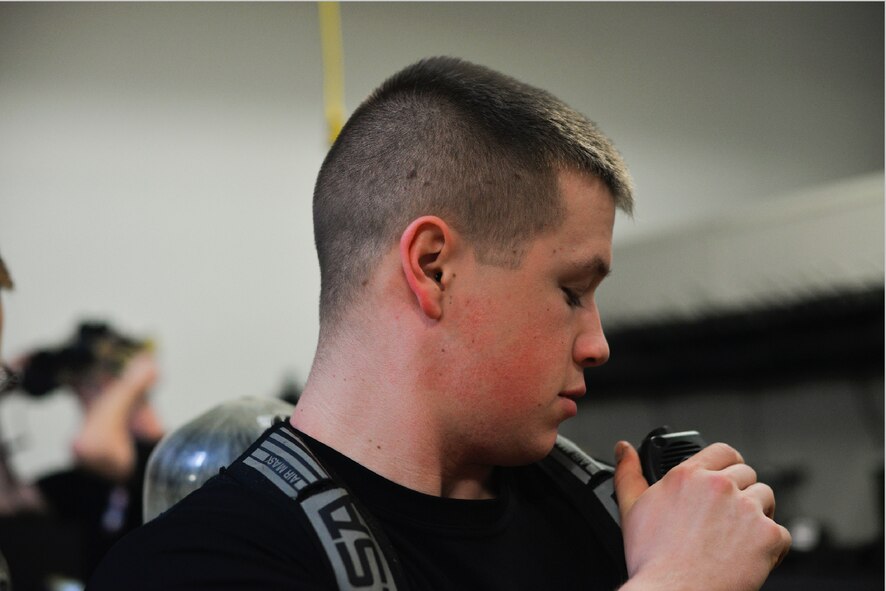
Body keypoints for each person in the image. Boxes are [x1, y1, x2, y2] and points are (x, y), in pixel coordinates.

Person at [88, 57, 791, 590]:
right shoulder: (200, 564)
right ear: (431, 268)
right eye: (572, 289)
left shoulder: (613, 525)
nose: (598, 342)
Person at [0, 254, 163, 588]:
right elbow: (8, 500)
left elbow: (91, 447)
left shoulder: (160, 458)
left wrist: (130, 381)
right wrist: (7, 383)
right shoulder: (86, 479)